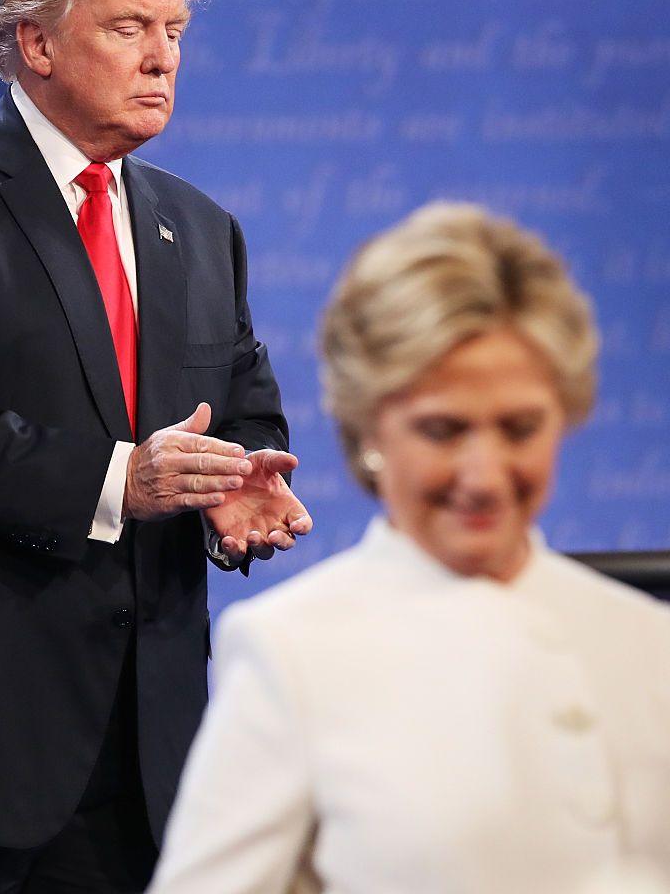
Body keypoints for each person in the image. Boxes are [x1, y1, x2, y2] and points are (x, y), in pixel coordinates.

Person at [0, 0, 311, 893]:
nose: (162, 60)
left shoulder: (199, 223)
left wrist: (241, 483)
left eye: (175, 34)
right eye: (129, 29)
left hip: (155, 746)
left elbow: (239, 402)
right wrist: (118, 482)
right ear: (36, 42)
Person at [148, 203, 670, 894]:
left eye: (519, 428)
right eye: (442, 430)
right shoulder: (294, 653)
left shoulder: (644, 639)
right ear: (367, 428)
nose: (483, 476)